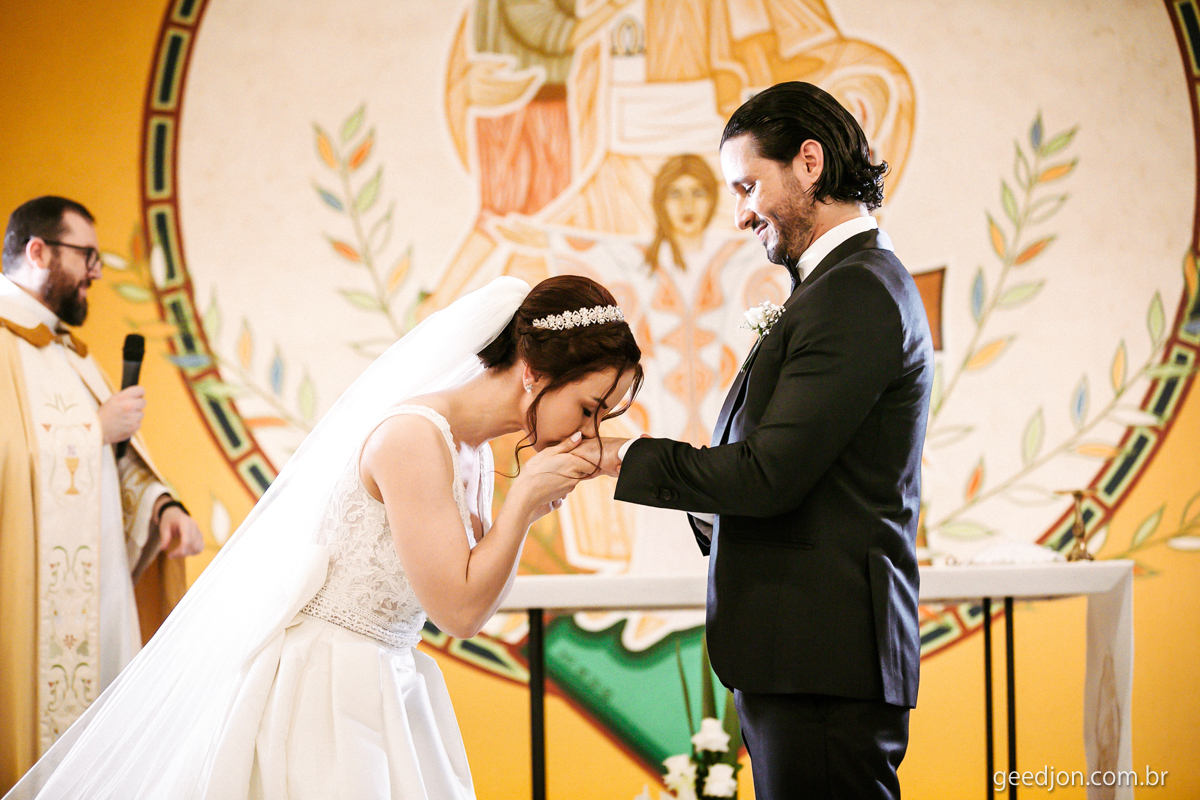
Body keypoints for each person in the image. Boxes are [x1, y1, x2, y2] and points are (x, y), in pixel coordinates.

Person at [5, 274, 642, 799]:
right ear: (532, 370)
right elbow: (459, 611)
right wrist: (523, 502)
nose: (587, 432)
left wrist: (550, 494)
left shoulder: (471, 449)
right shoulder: (413, 437)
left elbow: (471, 603)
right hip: (327, 692)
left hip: (388, 676)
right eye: (588, 409)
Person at [589, 82, 934, 799]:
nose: (741, 213)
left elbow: (769, 474)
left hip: (824, 659)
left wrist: (616, 456)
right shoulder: (838, 286)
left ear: (809, 162)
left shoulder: (856, 291)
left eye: (748, 186)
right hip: (807, 656)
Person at [0, 196, 204, 792]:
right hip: (25, 601)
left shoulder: (66, 352)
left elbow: (115, 465)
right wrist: (94, 431)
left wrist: (161, 507)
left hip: (101, 594)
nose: (95, 271)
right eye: (86, 255)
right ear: (39, 251)